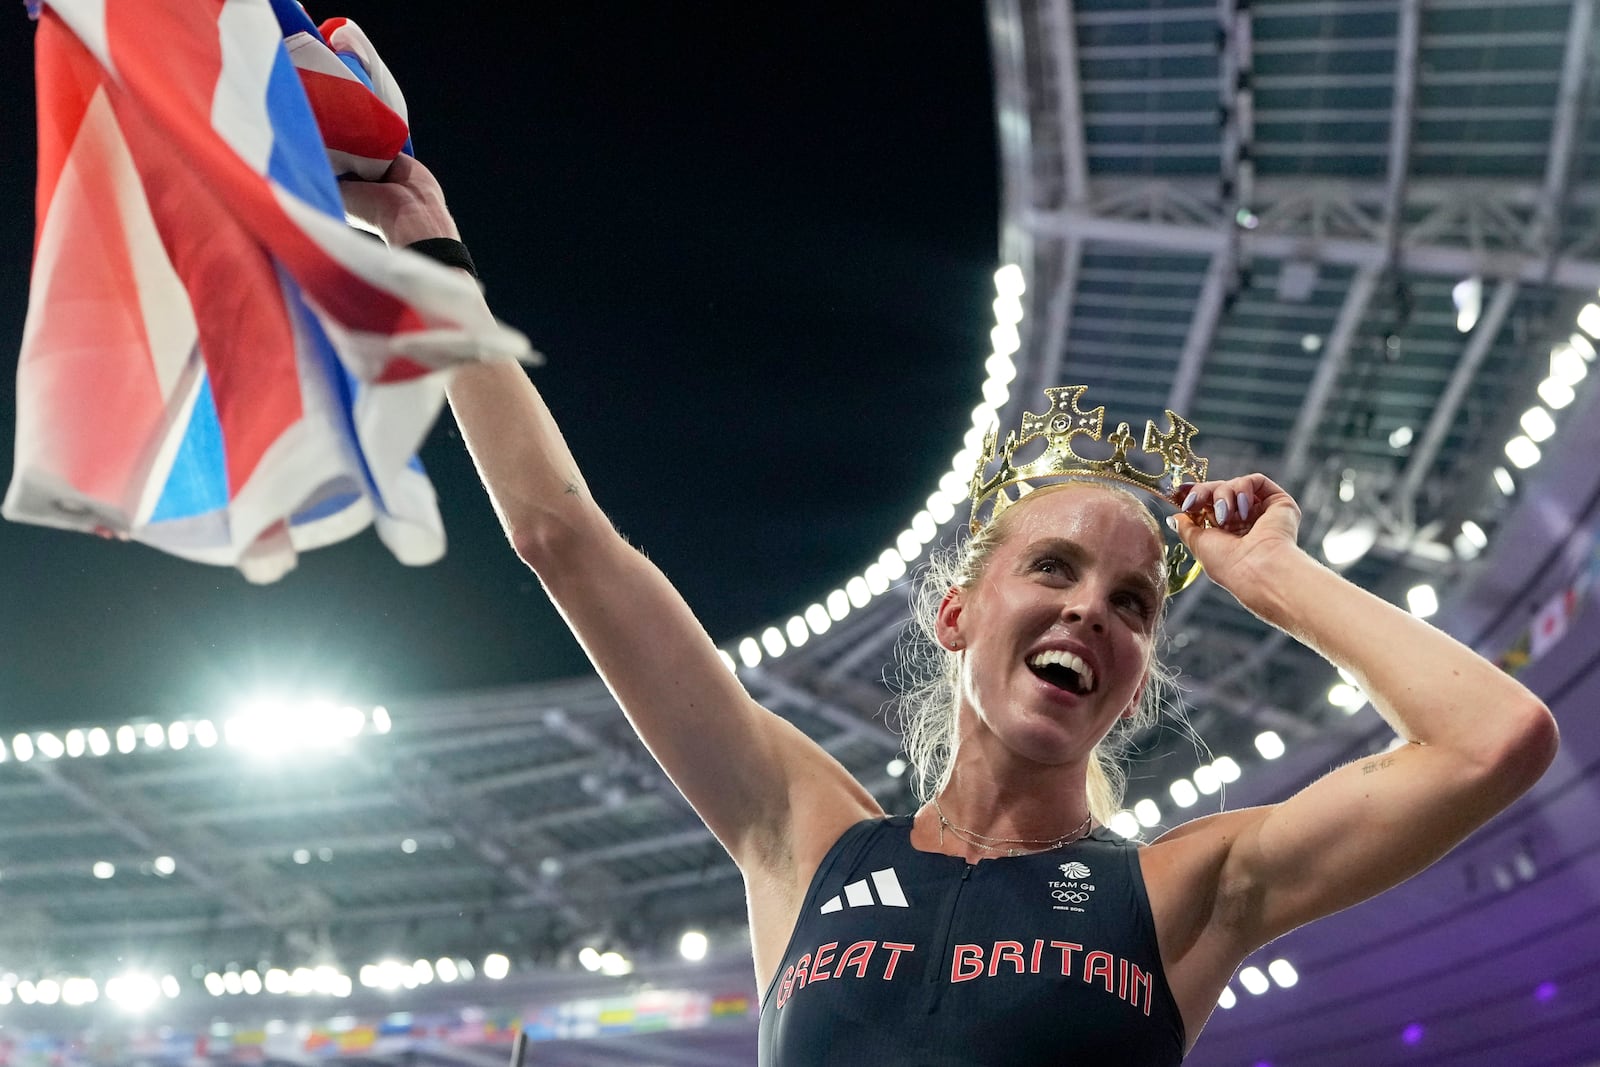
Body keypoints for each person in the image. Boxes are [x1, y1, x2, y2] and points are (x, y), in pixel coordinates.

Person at [342, 155, 1560, 1066]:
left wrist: (1276, 581)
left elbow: (1493, 739)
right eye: (1055, 569)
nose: (1091, 610)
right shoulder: (802, 834)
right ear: (957, 612)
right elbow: (565, 542)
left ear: (1138, 668)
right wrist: (425, 245)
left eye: (1132, 602)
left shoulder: (1189, 888)